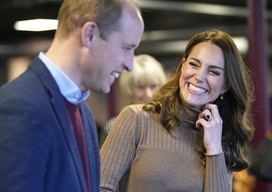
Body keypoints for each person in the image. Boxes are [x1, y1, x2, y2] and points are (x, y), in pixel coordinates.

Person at [0, 0, 144, 192]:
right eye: (126, 48)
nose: (129, 64)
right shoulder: (19, 107)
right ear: (89, 35)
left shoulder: (83, 113)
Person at [100, 29, 254, 191]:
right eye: (194, 64)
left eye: (214, 72)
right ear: (183, 66)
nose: (199, 76)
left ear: (226, 85)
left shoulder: (220, 139)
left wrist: (214, 149)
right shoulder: (136, 119)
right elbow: (98, 186)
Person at [98, 54, 167, 148]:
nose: (148, 94)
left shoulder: (170, 124)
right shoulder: (114, 126)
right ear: (129, 88)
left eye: (153, 86)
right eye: (141, 87)